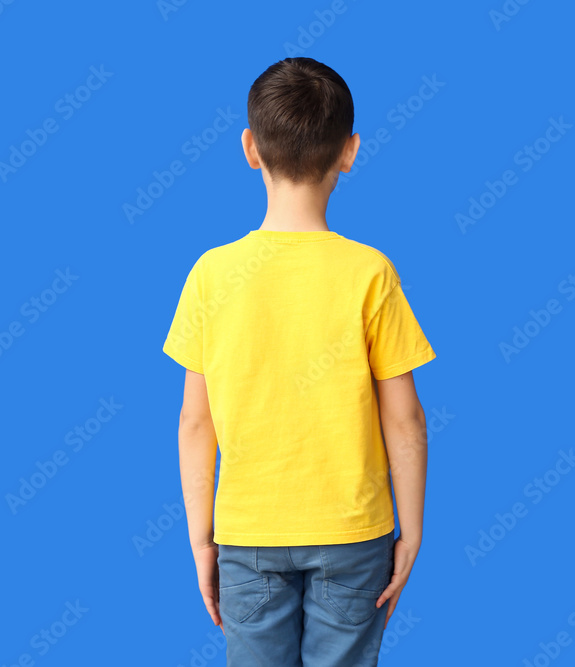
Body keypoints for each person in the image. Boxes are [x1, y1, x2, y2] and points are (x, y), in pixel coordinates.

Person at [162, 57, 436, 666]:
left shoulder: (211, 275)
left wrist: (202, 541)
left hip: (247, 534)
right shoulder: (371, 272)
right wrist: (411, 528)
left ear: (250, 148)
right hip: (354, 532)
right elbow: (406, 420)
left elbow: (195, 424)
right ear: (350, 151)